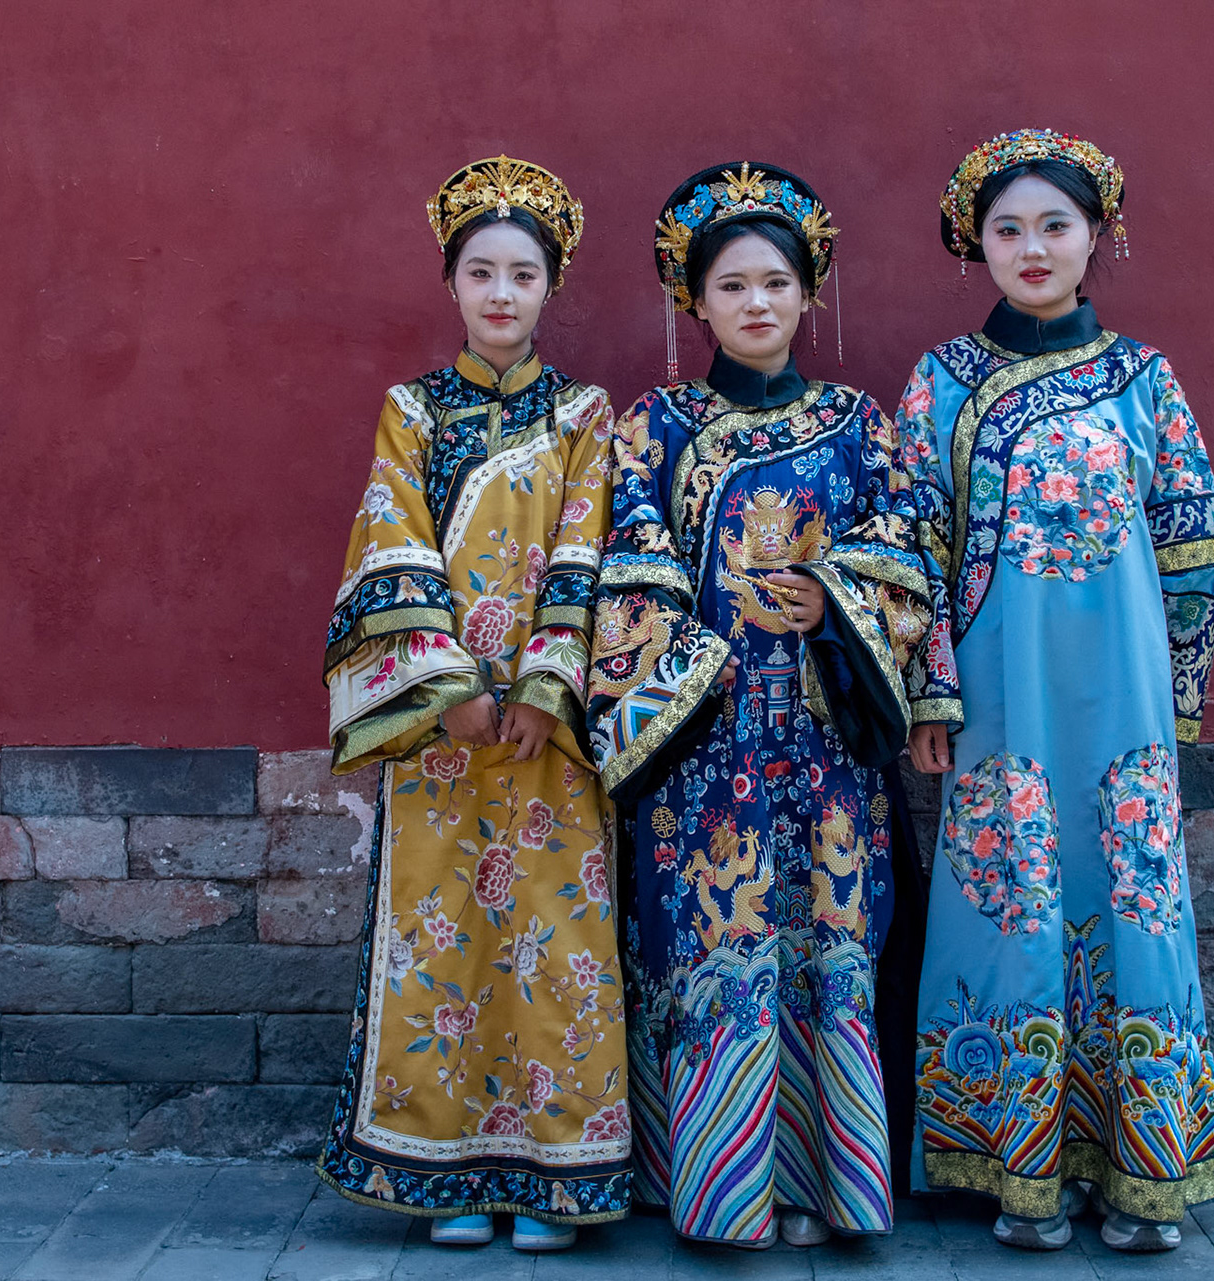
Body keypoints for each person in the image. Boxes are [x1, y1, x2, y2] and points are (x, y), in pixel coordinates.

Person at [898, 130, 1214, 1252]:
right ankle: (1020, 1173)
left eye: (1055, 225)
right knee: (1010, 904)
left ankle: (1146, 1172)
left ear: (1099, 236)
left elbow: (1194, 544)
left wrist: (1179, 690)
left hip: (1125, 703)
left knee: (1135, 903)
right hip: (1001, 702)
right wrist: (930, 692)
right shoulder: (941, 383)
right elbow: (913, 550)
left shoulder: (1146, 381)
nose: (1032, 247)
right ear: (976, 244)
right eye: (1007, 228)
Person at [587, 162, 930, 1249]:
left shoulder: (860, 425)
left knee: (829, 947)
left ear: (808, 292)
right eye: (732, 286)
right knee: (714, 947)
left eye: (776, 283)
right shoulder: (654, 428)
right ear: (694, 301)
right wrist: (695, 661)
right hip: (708, 745)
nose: (756, 304)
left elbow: (907, 555)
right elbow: (626, 568)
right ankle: (725, 1189)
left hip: (829, 745)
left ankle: (828, 1184)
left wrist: (832, 601)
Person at [315, 156, 628, 1252]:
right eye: (481, 272)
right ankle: (443, 1167)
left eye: (523, 275)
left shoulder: (585, 414)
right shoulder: (411, 411)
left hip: (549, 725)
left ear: (551, 288)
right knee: (439, 932)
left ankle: (554, 1173)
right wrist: (445, 686)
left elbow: (587, 549)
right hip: (441, 723)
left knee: (556, 931)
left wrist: (547, 683)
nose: (502, 293)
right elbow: (390, 543)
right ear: (451, 283)